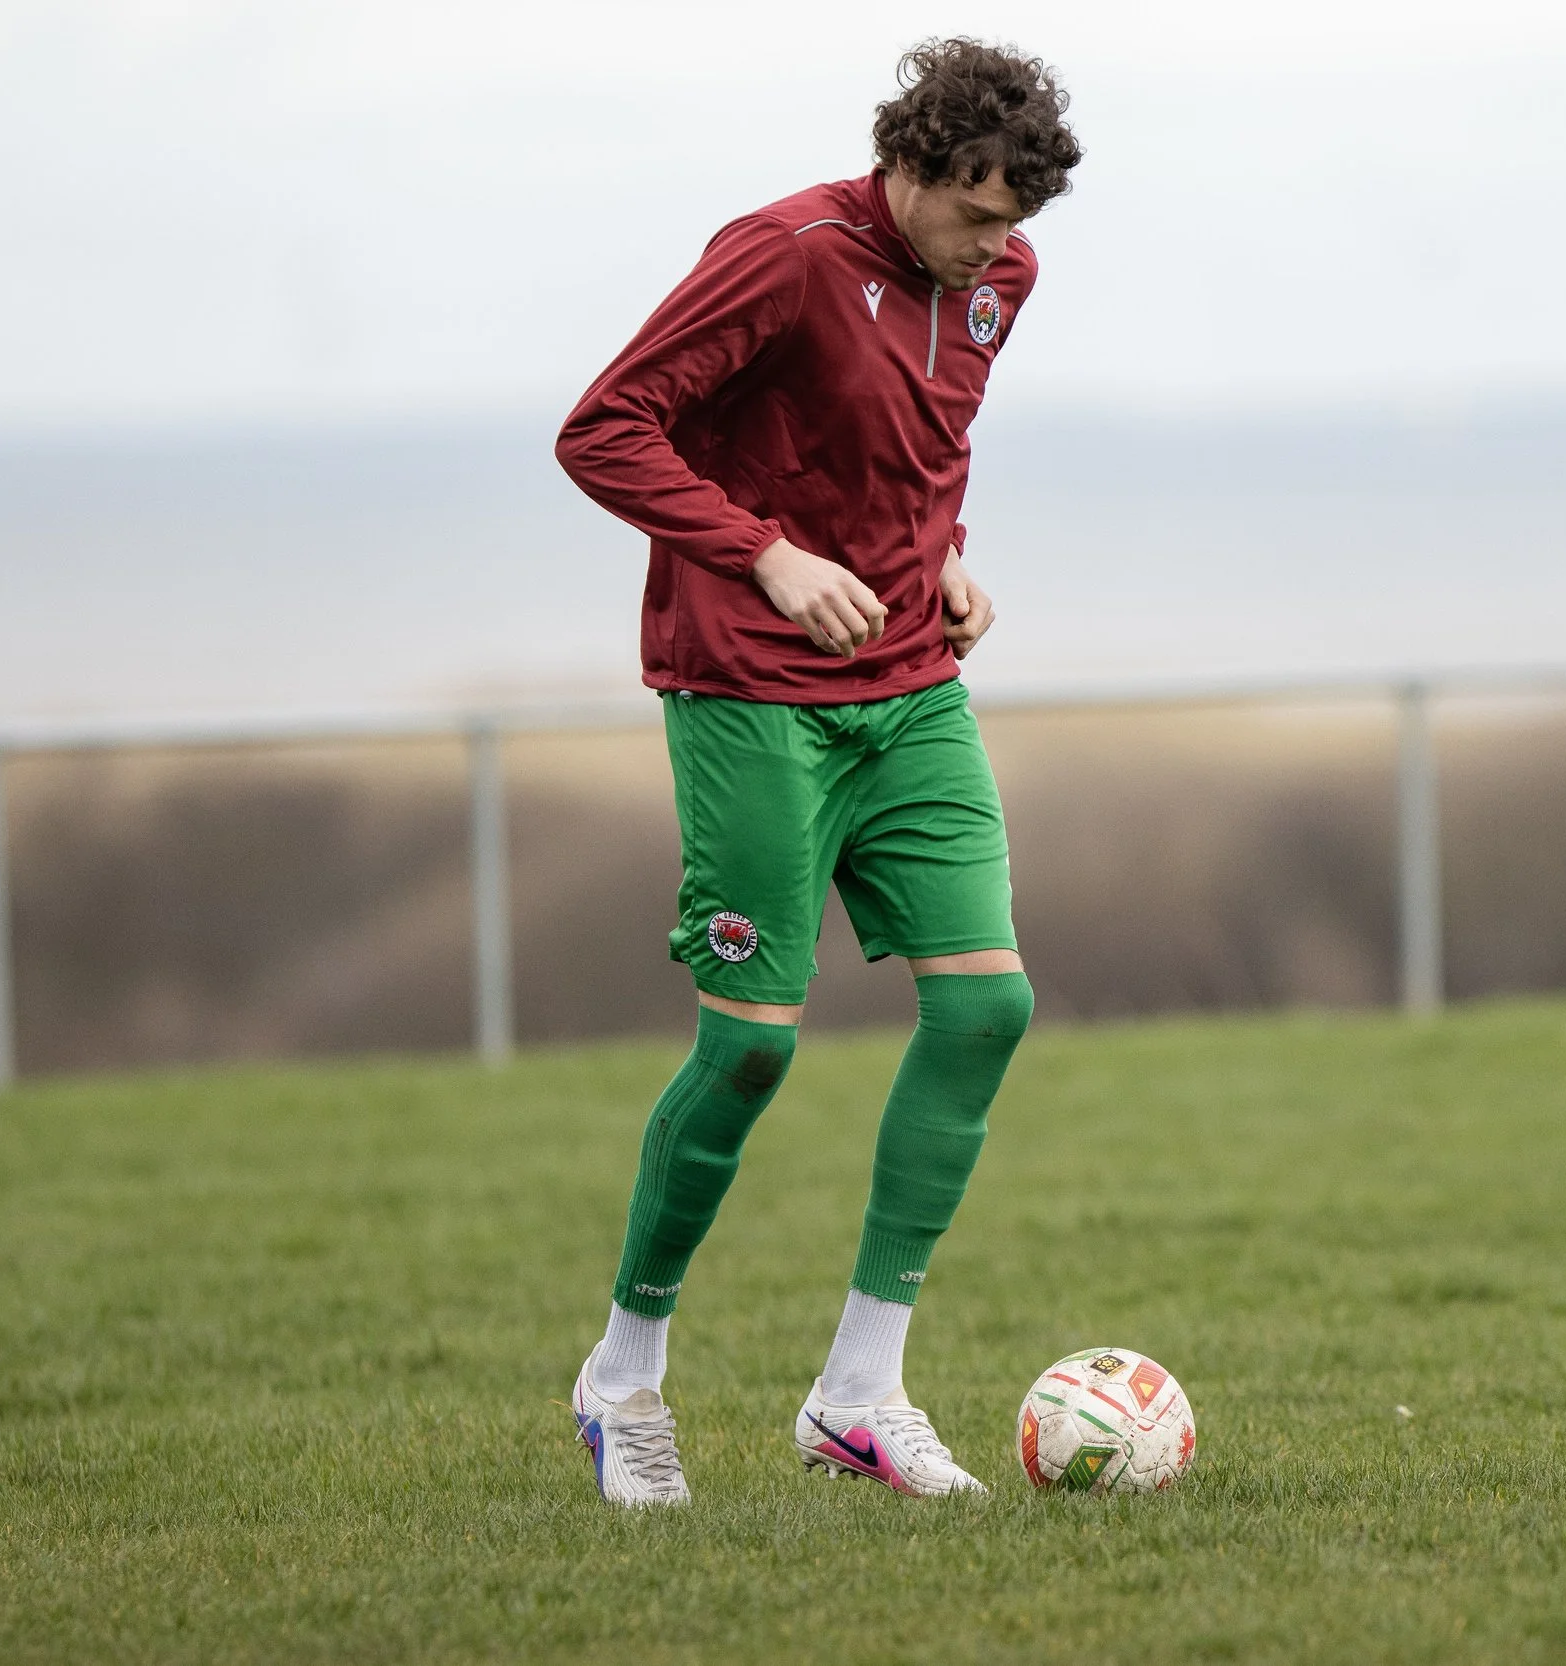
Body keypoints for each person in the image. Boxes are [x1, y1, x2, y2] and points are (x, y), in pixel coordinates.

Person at [551, 38, 1082, 1506]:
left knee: (987, 1007)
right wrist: (770, 557)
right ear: (906, 167)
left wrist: (950, 562)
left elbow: (924, 447)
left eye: (1018, 221)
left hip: (911, 687)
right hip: (751, 690)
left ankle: (860, 1390)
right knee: (755, 1046)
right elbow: (602, 431)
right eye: (977, 211)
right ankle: (625, 1373)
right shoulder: (782, 256)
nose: (1000, 245)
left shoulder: (1000, 279)